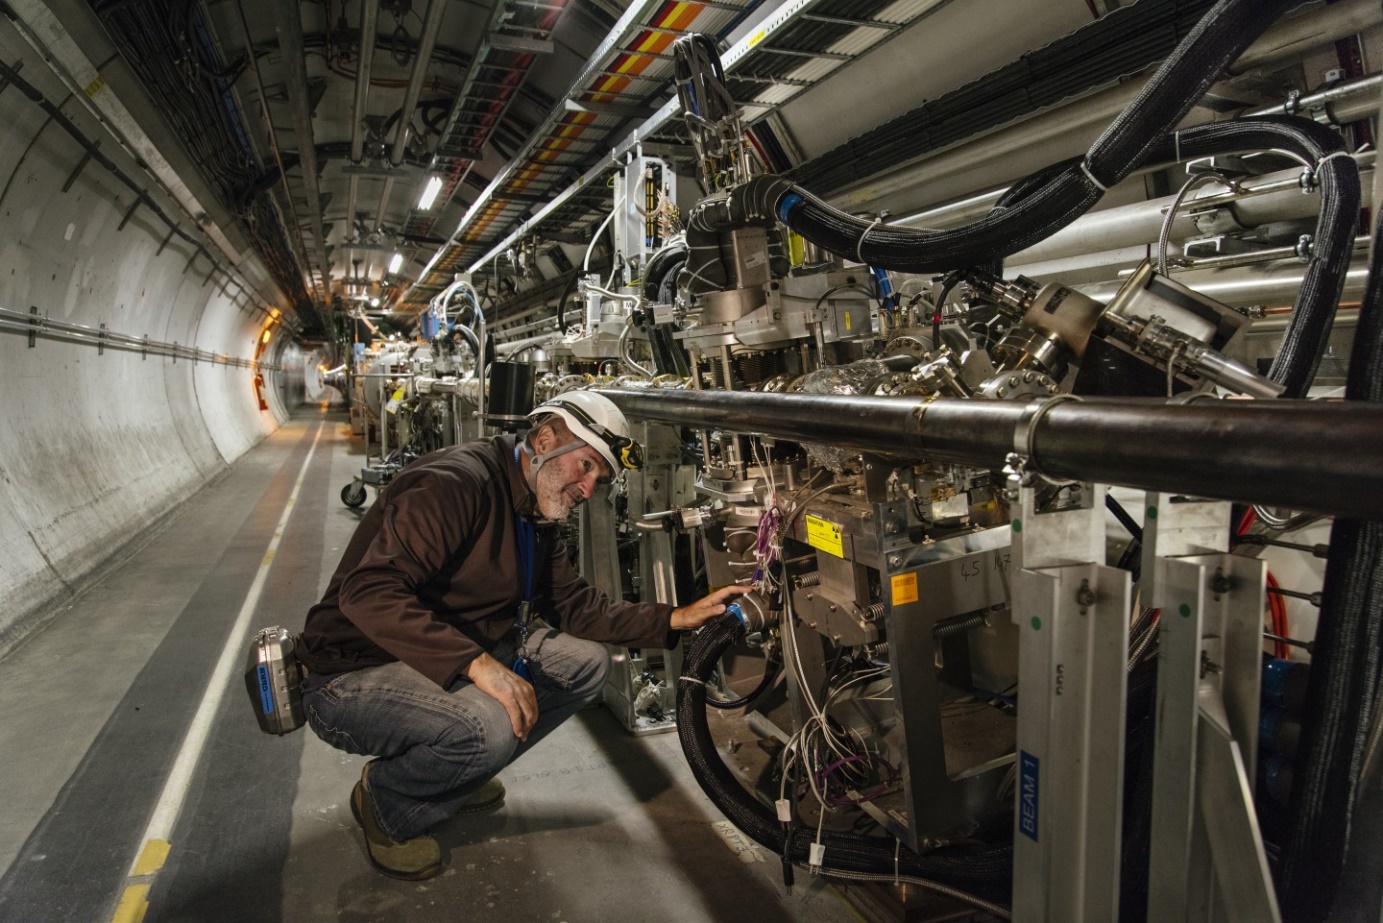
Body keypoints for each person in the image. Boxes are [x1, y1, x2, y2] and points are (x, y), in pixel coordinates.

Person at [296, 390, 749, 880]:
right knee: (486, 725)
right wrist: (478, 664)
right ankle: (387, 803)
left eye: (600, 478)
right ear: (545, 436)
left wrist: (673, 619)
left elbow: (573, 604)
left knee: (586, 665)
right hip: (352, 670)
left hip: (436, 654)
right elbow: (368, 592)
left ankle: (455, 775)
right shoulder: (455, 484)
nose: (589, 487)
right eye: (586, 465)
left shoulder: (531, 507)